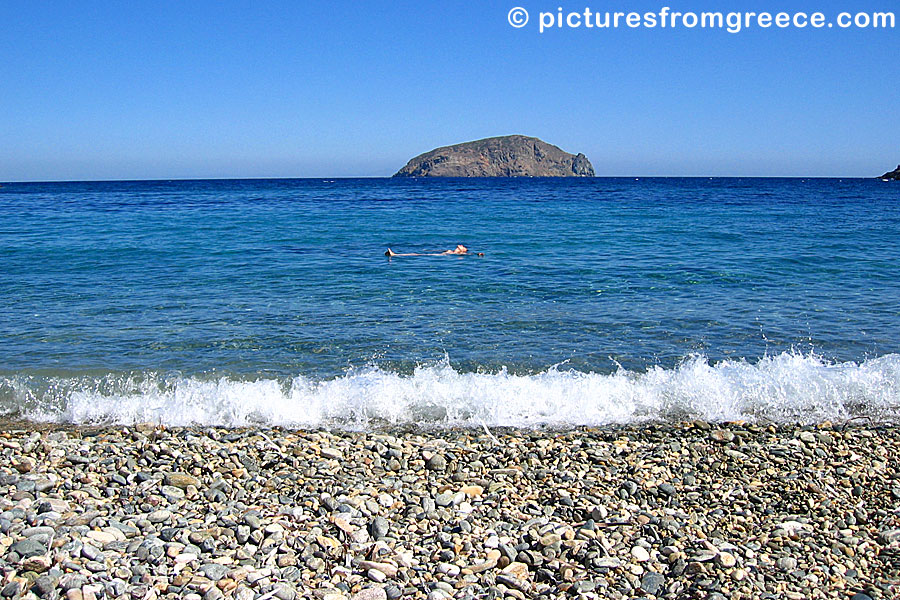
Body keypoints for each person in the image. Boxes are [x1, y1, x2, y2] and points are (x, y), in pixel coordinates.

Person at [385, 244, 482, 257]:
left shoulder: (457, 254)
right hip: (437, 254)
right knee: (416, 254)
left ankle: (395, 255)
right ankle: (394, 254)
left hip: (437, 256)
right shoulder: (451, 251)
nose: (461, 245)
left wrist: (478, 254)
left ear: (463, 250)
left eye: (463, 246)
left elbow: (471, 254)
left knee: (416, 254)